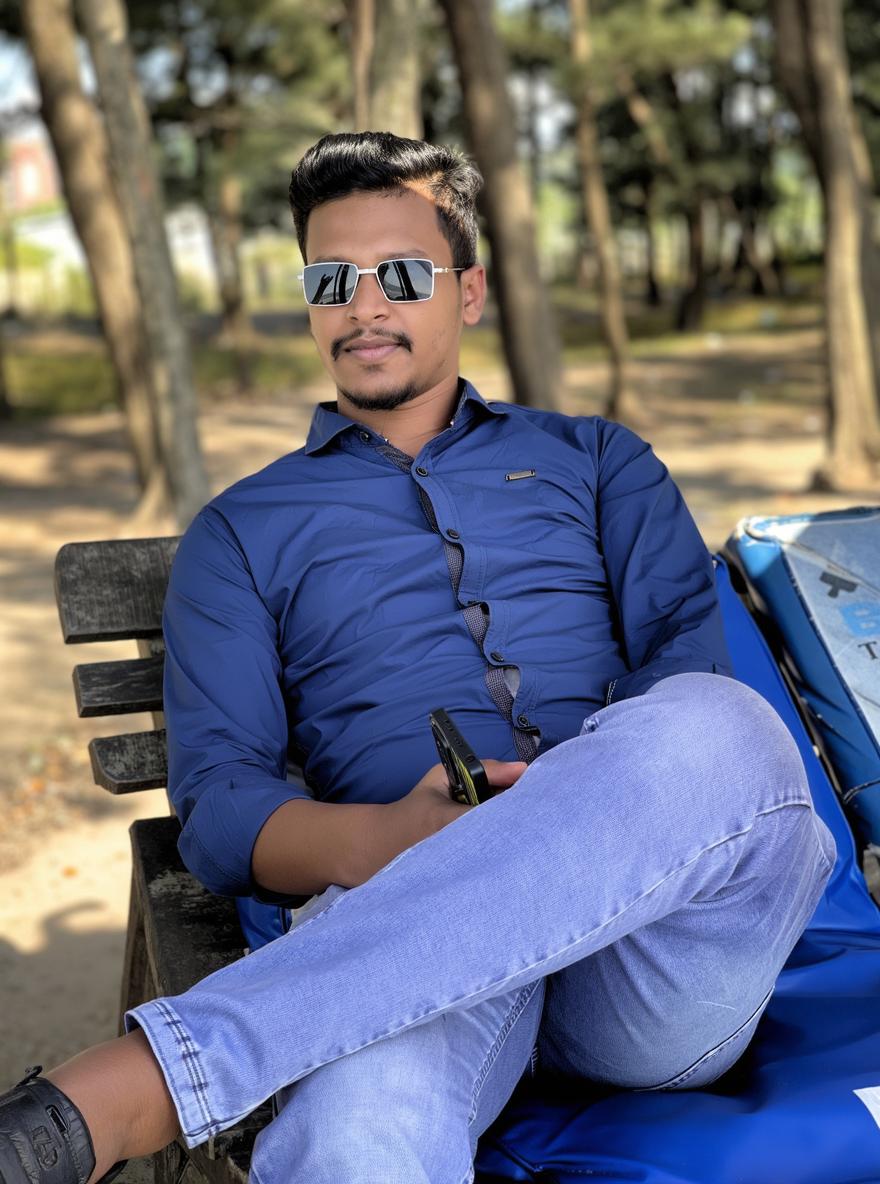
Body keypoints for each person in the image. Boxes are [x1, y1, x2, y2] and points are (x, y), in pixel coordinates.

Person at [0, 131, 835, 1184]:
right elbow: (219, 808)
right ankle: (152, 1086)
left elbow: (686, 687)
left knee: (724, 730)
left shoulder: (599, 462)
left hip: (645, 962)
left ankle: (142, 1087)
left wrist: (548, 822)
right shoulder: (242, 530)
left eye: (399, 274)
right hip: (398, 933)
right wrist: (384, 838)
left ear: (469, 289)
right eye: (329, 279)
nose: (362, 306)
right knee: (356, 1133)